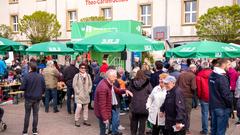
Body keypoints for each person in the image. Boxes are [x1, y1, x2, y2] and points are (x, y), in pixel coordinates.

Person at [94, 69, 132, 135]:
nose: (116, 78)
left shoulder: (108, 83)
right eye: (114, 76)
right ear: (109, 76)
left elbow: (116, 90)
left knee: (105, 130)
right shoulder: (103, 87)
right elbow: (102, 105)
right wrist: (105, 118)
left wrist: (125, 90)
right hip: (102, 114)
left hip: (105, 112)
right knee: (103, 131)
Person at [20, 61, 46, 135]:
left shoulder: (26, 76)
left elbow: (22, 87)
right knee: (35, 114)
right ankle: (34, 131)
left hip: (29, 98)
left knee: (27, 114)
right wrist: (40, 93)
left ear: (30, 68)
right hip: (37, 98)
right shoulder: (40, 76)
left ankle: (25, 132)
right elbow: (44, 87)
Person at [209, 58, 233, 135]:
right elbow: (226, 95)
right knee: (220, 131)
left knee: (214, 129)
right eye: (229, 64)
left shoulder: (212, 75)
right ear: (223, 64)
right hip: (222, 107)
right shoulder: (221, 77)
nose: (230, 66)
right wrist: (230, 104)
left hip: (214, 105)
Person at [128, 70, 152, 135]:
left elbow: (128, 93)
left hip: (134, 105)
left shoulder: (132, 82)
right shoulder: (147, 83)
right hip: (144, 106)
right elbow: (151, 93)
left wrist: (130, 101)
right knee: (142, 123)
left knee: (133, 123)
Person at [176, 64, 197, 134]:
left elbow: (176, 85)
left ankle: (180, 127)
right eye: (195, 69)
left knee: (180, 112)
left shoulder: (181, 75)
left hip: (180, 96)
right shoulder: (193, 76)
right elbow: (194, 87)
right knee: (187, 113)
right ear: (193, 69)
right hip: (188, 97)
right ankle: (186, 129)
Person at [196, 61, 212, 135]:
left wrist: (199, 96)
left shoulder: (199, 75)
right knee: (213, 114)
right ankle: (212, 130)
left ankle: (205, 130)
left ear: (202, 67)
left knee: (204, 114)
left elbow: (199, 88)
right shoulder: (213, 73)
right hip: (213, 97)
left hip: (203, 96)